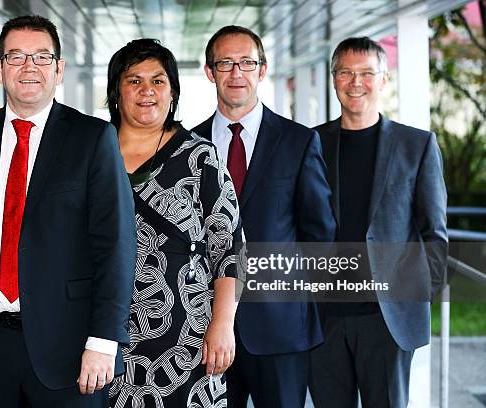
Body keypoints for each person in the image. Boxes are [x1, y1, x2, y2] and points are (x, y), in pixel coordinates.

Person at [0, 15, 136, 407]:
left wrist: (104, 340)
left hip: (72, 350)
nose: (29, 68)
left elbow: (116, 247)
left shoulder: (92, 139)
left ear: (59, 70)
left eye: (42, 57)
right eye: (17, 57)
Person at [192, 26, 336, 407]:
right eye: (226, 63)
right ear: (210, 72)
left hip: (281, 331)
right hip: (203, 329)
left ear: (262, 70)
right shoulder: (187, 147)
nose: (236, 73)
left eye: (247, 62)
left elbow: (319, 236)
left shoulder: (298, 142)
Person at [308, 37, 448, 408]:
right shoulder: (311, 143)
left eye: (367, 73)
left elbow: (435, 233)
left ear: (384, 80)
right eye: (346, 72)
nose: (356, 82)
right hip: (323, 318)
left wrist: (417, 296)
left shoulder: (416, 146)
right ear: (334, 78)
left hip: (387, 320)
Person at [105, 38, 243, 408]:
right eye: (134, 80)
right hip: (107, 330)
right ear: (116, 91)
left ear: (173, 92)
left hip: (189, 334)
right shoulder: (93, 155)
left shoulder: (200, 157)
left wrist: (223, 323)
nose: (146, 90)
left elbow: (228, 248)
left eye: (158, 80)